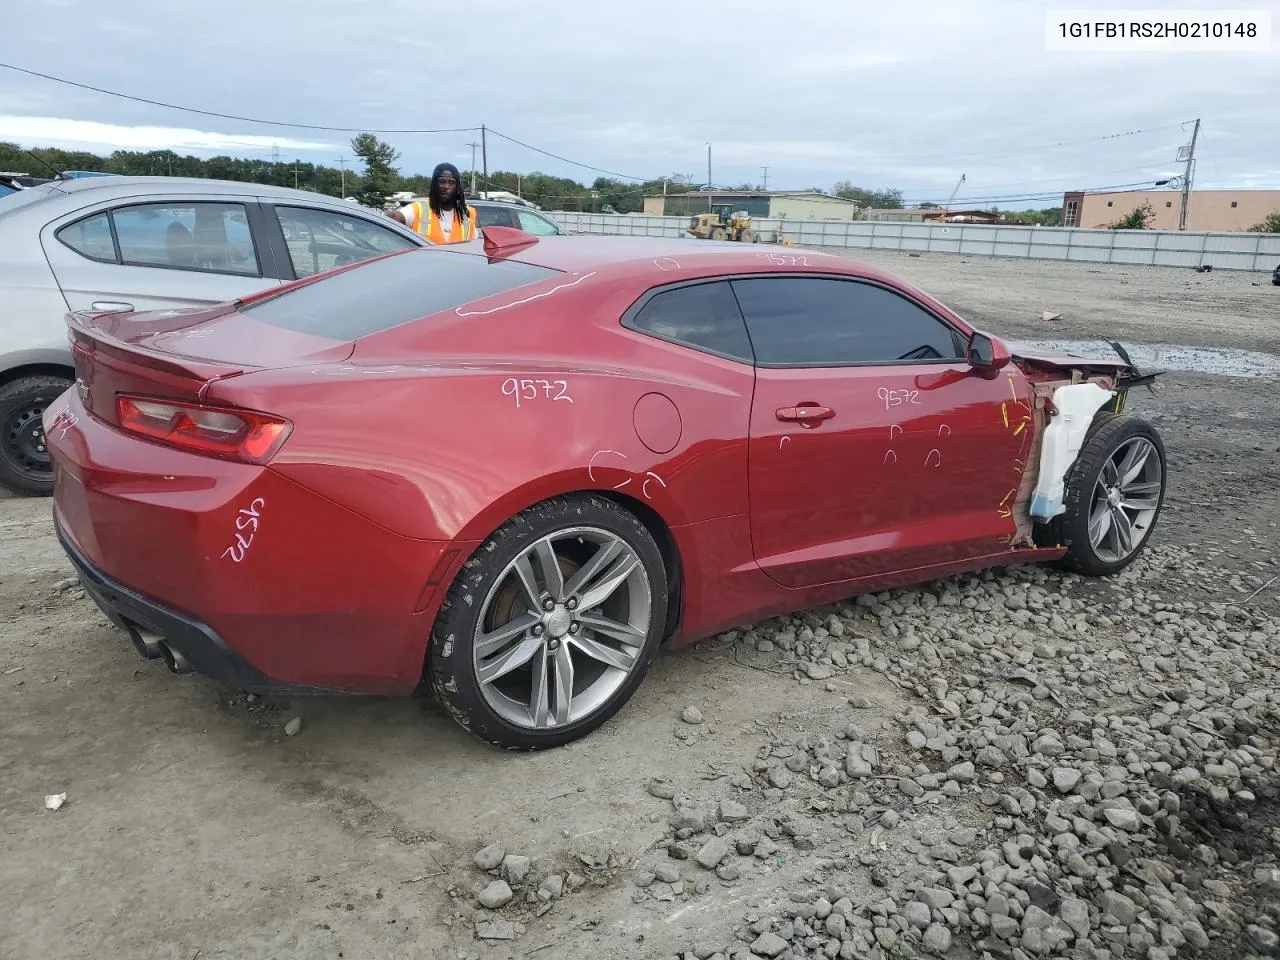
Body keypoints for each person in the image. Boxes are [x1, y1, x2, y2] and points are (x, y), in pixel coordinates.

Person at [389, 162, 478, 244]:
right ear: (434, 184)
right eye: (442, 181)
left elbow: (474, 245)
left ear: (457, 186)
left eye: (451, 182)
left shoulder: (468, 213)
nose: (446, 186)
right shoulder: (418, 209)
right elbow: (392, 217)